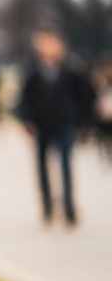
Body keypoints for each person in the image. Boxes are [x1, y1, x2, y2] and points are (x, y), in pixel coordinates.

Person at [16, 29, 97, 226]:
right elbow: (24, 99)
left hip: (64, 123)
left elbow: (85, 96)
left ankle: (69, 207)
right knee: (42, 168)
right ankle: (47, 208)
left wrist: (83, 124)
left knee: (66, 166)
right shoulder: (32, 71)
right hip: (41, 125)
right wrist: (27, 121)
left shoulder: (72, 69)